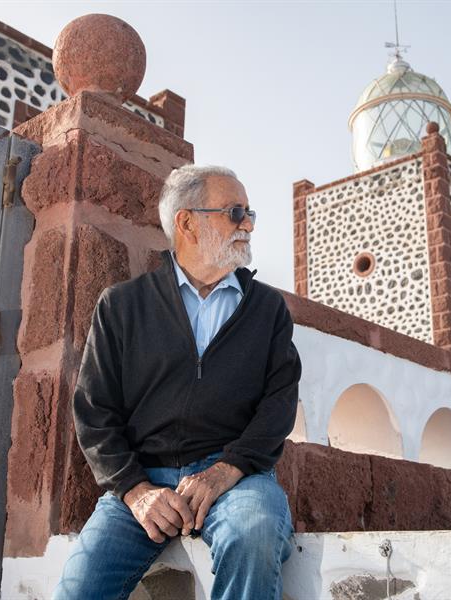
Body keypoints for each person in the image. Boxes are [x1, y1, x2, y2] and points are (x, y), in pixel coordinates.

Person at [54, 164, 302, 600]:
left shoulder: (268, 309)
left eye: (250, 214)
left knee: (255, 535)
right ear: (187, 222)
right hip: (140, 479)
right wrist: (135, 490)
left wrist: (226, 471)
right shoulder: (122, 306)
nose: (248, 224)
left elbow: (279, 404)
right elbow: (94, 411)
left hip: (237, 478)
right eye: (235, 212)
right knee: (78, 589)